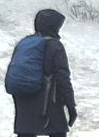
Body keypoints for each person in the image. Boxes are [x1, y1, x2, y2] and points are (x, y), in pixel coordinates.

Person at [12, 9, 77, 137]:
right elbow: (63, 78)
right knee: (58, 132)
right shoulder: (55, 46)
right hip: (48, 103)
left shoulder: (24, 43)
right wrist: (71, 106)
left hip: (23, 100)